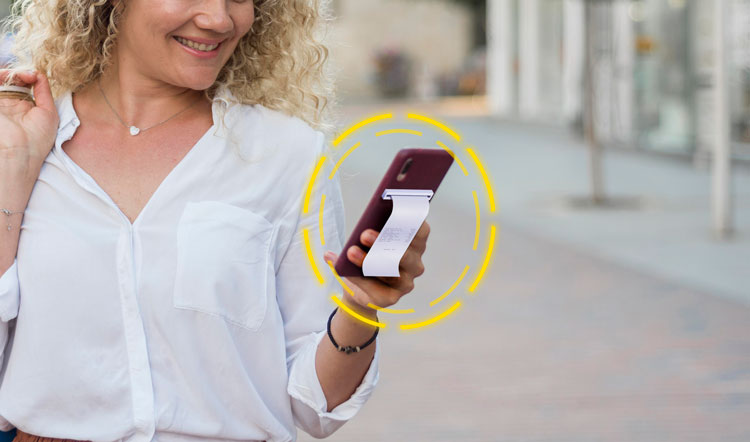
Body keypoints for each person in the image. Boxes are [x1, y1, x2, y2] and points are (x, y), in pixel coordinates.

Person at [0, 0, 429, 441]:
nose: (219, 19)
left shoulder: (288, 154)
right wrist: (13, 169)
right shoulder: (25, 136)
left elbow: (315, 407)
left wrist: (361, 307)